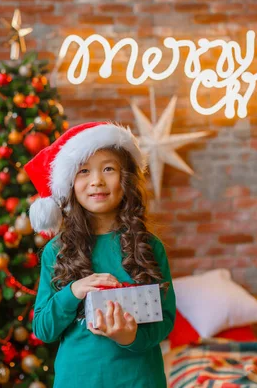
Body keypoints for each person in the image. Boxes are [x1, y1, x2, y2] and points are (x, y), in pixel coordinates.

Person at [24, 121, 176, 388]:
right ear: (70, 183)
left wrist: (130, 336)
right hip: (78, 380)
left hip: (140, 380)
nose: (96, 181)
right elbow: (43, 328)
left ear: (125, 179)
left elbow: (166, 319)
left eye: (108, 168)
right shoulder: (56, 251)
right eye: (84, 171)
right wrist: (73, 291)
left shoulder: (149, 246)